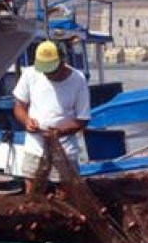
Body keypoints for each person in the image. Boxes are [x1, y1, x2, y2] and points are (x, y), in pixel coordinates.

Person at [13, 41, 90, 194]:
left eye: (51, 70)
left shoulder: (78, 80)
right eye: (45, 70)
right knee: (32, 189)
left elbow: (83, 119)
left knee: (66, 192)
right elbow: (19, 106)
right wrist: (27, 121)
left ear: (62, 62)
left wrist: (59, 132)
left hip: (64, 149)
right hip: (35, 147)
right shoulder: (30, 74)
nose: (48, 74)